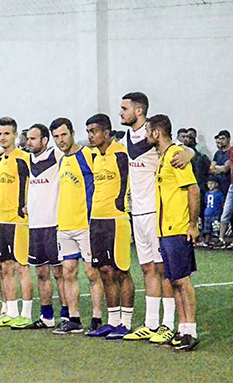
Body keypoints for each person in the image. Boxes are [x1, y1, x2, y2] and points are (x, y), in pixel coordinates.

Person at [119, 92, 193, 344]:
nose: (121, 113)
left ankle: (168, 324)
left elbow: (180, 149)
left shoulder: (153, 134)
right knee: (147, 268)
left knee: (163, 270)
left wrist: (190, 152)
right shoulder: (125, 138)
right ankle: (151, 324)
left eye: (124, 108)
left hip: (157, 212)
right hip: (137, 212)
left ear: (138, 110)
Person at [146, 114, 200, 351]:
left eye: (148, 131)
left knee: (182, 281)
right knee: (174, 281)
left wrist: (192, 224)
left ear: (156, 133)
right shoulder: (165, 156)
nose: (146, 135)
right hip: (165, 230)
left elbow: (193, 189)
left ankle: (191, 330)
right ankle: (182, 328)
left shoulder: (176, 155)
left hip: (177, 228)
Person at [49, 118, 103, 335]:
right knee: (68, 273)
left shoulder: (88, 155)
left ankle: (97, 319)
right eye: (56, 137)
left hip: (85, 225)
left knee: (92, 273)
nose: (60, 140)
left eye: (63, 135)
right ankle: (74, 318)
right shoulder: (61, 160)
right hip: (64, 226)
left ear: (72, 133)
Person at [84, 114, 135, 339]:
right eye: (88, 132)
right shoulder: (94, 156)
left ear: (106, 133)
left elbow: (125, 183)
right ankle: (113, 321)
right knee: (104, 271)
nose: (90, 136)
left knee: (121, 271)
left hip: (116, 220)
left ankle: (126, 322)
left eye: (94, 131)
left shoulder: (121, 154)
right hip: (97, 220)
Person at [18, 123, 67, 330]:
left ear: (45, 140)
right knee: (41, 273)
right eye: (27, 139)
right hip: (35, 225)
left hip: (54, 224)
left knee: (59, 273)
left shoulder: (56, 155)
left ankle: (67, 316)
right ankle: (47, 317)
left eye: (33, 139)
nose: (28, 142)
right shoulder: (28, 159)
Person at [0, 117, 34, 328]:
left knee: (21, 267)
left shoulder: (24, 158)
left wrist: (26, 206)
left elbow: (32, 184)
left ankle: (27, 313)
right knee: (5, 267)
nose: (2, 138)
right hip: (1, 220)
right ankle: (11, 311)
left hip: (19, 221)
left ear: (15, 135)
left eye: (6, 133)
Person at [185, 128, 211, 230]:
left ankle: (204, 232)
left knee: (201, 210)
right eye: (186, 137)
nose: (188, 139)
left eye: (190, 137)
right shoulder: (182, 152)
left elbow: (206, 167)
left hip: (199, 184)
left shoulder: (200, 153)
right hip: (186, 185)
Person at [203, 177, 225, 245]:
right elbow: (206, 202)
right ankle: (207, 240)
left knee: (216, 228)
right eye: (209, 184)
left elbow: (223, 203)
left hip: (216, 214)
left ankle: (217, 240)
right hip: (207, 214)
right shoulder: (207, 193)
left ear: (216, 184)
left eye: (212, 183)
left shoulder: (219, 194)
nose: (210, 185)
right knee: (207, 228)